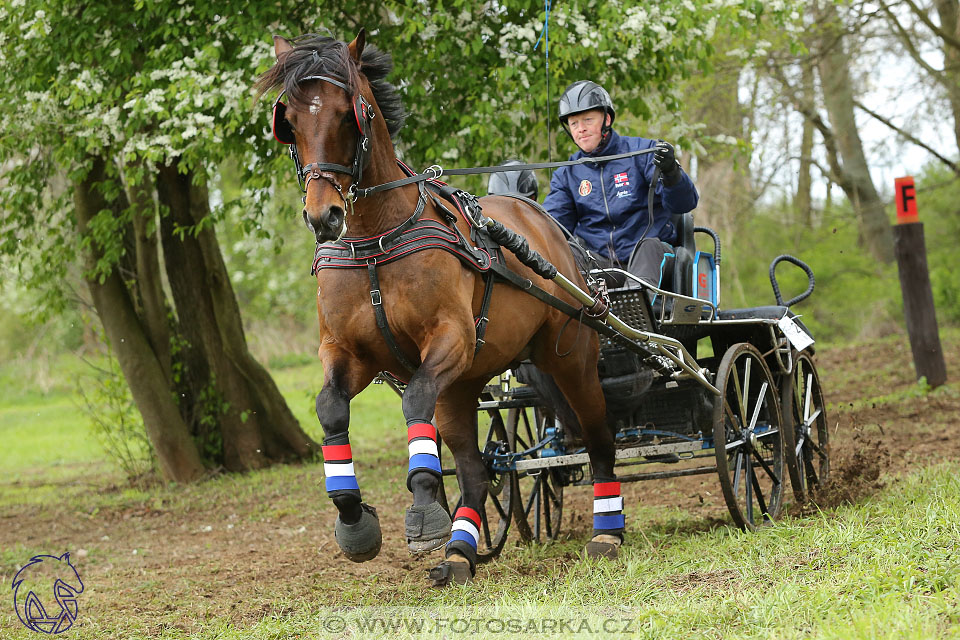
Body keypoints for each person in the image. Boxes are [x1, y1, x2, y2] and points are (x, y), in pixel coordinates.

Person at [542, 80, 699, 288]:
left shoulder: (643, 153)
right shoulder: (567, 173)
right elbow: (551, 228)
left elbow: (684, 204)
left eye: (588, 120)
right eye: (574, 123)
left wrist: (672, 173)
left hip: (652, 257)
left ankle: (634, 312)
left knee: (649, 247)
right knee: (567, 253)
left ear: (607, 119)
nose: (581, 129)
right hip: (602, 265)